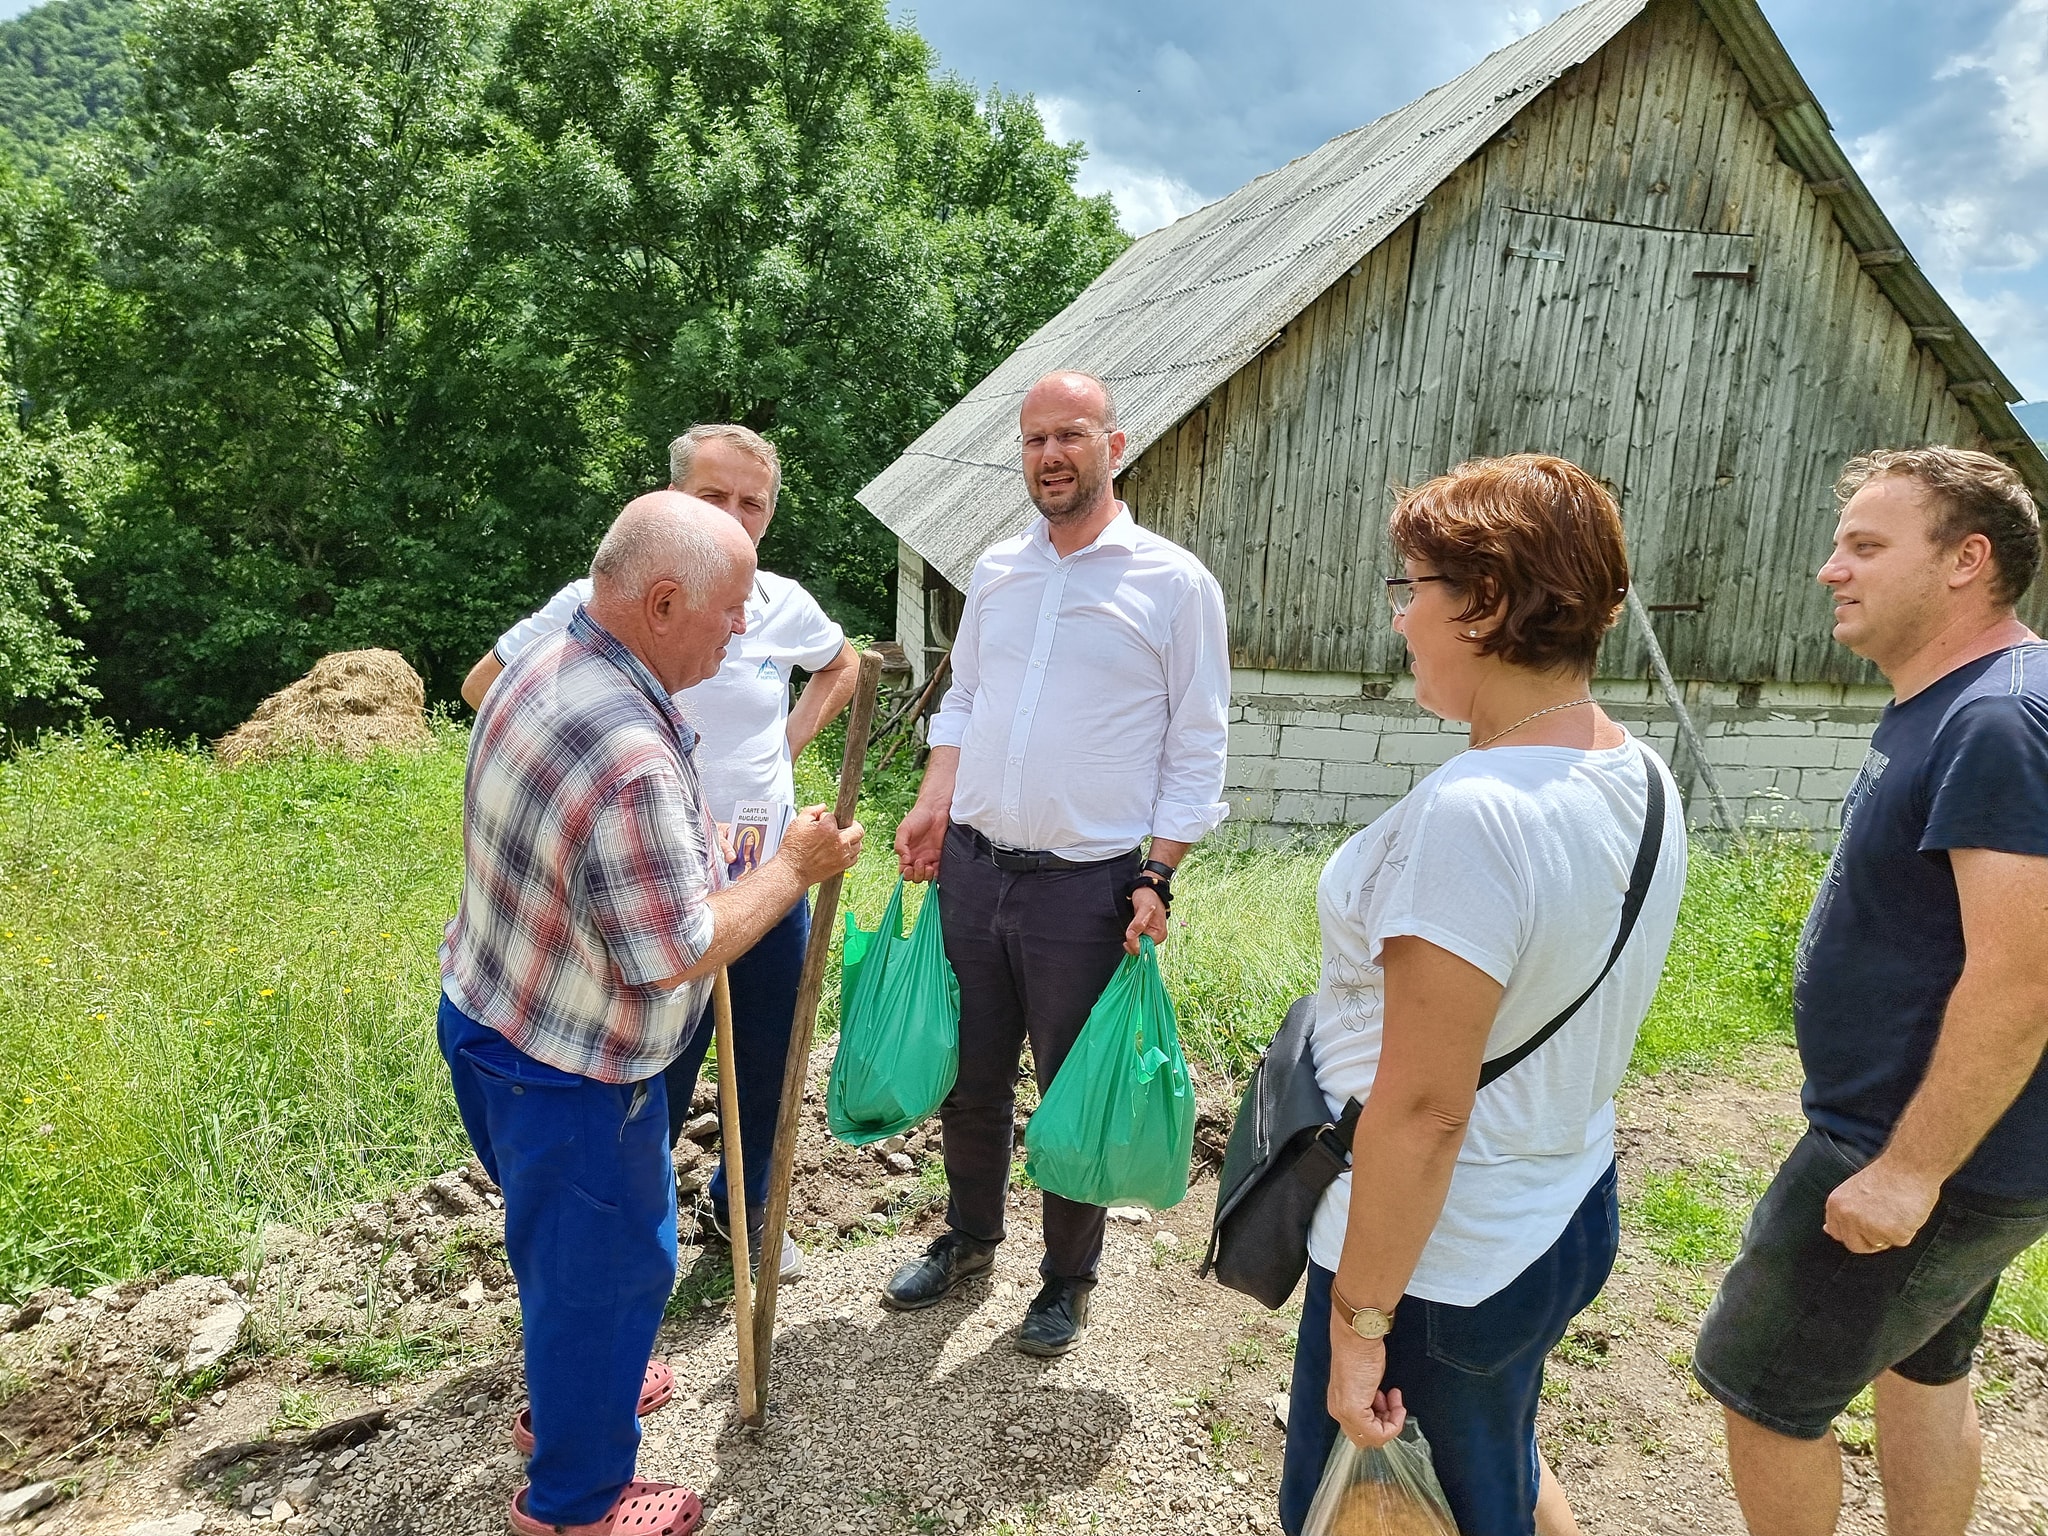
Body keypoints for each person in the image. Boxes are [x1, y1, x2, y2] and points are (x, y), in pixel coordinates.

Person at [439, 491, 862, 1536]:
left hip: (492, 1013)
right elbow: (673, 954)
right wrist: (793, 870)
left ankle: (576, 1400)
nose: (742, 633)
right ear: (664, 601)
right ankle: (575, 1505)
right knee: (615, 1269)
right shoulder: (627, 752)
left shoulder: (541, 661)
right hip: (574, 1068)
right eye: (731, 613)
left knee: (565, 1259)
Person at [1279, 455, 1687, 1536]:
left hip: (1436, 1257)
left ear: (1488, 603)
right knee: (1492, 1455)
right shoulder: (1637, 772)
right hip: (1560, 1204)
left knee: (1379, 1507)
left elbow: (1425, 1108)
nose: (1398, 618)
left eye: (1409, 587)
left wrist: (1359, 1325)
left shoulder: (1472, 814)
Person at [1693, 447, 2048, 1536]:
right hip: (1961, 1153)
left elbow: (2022, 975)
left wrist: (1905, 1173)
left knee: (1761, 1397)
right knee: (1923, 1375)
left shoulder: (1997, 719)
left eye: (1863, 545)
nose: (1826, 570)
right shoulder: (1958, 703)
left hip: (1915, 1160)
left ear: (1964, 561)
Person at [887, 369, 1231, 1356]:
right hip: (972, 867)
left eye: (1069, 436)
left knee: (1071, 1087)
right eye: (1034, 439)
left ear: (1111, 445)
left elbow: (1196, 743)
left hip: (1086, 885)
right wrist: (931, 798)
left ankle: (1065, 1282)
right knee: (971, 1081)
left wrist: (1157, 872)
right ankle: (968, 1239)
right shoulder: (998, 571)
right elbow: (961, 705)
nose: (1049, 455)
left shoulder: (1172, 583)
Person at [463, 424, 858, 1280]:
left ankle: (746, 1210)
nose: (736, 515)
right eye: (713, 497)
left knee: (765, 1058)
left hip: (759, 873)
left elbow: (843, 665)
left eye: (752, 502)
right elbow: (487, 686)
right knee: (657, 1075)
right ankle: (641, 1227)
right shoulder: (607, 597)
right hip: (645, 888)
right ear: (672, 495)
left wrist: (784, 754)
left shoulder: (778, 604)